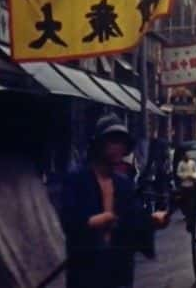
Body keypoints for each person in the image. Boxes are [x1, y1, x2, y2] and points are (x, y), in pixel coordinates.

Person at [62, 114, 170, 288]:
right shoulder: (77, 180)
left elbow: (133, 219)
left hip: (118, 268)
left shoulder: (124, 184)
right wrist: (92, 221)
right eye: (113, 141)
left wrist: (153, 221)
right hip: (86, 268)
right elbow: (66, 219)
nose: (118, 148)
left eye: (122, 143)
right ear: (99, 145)